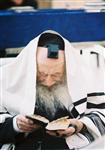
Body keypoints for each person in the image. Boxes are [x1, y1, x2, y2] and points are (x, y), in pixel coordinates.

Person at [0, 30, 105, 150]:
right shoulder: (6, 80)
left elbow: (101, 115)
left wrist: (79, 125)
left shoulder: (84, 79)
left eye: (56, 75)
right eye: (41, 74)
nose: (48, 82)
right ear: (29, 68)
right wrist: (15, 124)